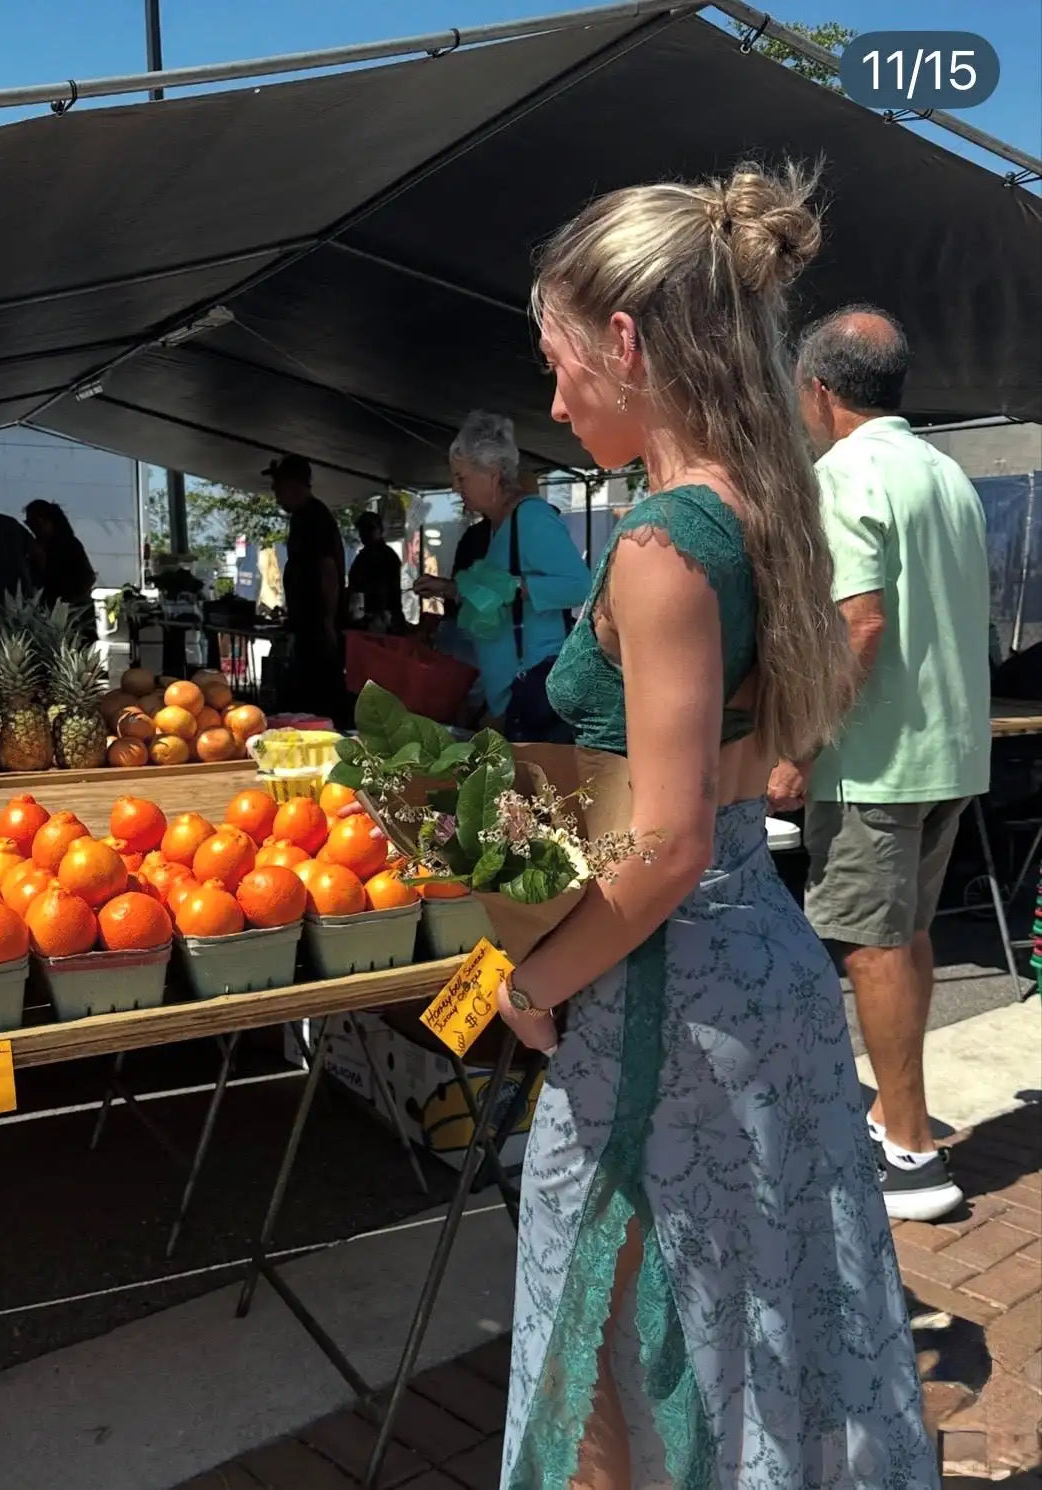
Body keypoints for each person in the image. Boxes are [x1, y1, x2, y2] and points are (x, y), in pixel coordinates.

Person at [493, 165, 936, 1489]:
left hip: (661, 998)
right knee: (757, 1329)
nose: (554, 397)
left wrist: (530, 973)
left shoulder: (659, 544)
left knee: (610, 1339)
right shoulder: (771, 501)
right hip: (755, 975)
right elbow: (757, 761)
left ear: (624, 344)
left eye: (560, 361)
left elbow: (670, 838)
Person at [769, 307, 991, 1223]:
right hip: (949, 747)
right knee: (903, 934)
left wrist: (797, 747)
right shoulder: (949, 476)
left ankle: (909, 1152)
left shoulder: (842, 476)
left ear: (820, 391)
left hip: (875, 759)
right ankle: (900, 1122)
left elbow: (859, 622)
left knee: (872, 945)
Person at [416, 412, 589, 742]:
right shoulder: (499, 525)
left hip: (535, 691)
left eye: (461, 478)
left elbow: (580, 585)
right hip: (512, 697)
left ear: (493, 475)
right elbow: (495, 597)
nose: (455, 487)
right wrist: (450, 589)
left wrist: (519, 588)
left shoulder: (532, 518)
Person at [266, 454, 347, 721]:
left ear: (292, 485)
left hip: (318, 624)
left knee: (319, 694)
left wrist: (327, 620)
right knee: (308, 691)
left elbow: (328, 571)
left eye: (277, 489)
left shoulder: (314, 516)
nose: (276, 497)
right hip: (308, 622)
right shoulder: (303, 517)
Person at [23, 499, 98, 640]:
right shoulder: (39, 547)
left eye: (36, 524)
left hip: (73, 614)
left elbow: (83, 578)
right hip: (51, 614)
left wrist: (42, 563)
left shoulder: (68, 545)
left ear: (49, 521)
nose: (33, 529)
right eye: (29, 525)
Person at [346, 510, 405, 632]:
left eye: (369, 528)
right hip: (369, 618)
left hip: (379, 620)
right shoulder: (365, 555)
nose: (364, 533)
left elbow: (383, 590)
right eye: (362, 529)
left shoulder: (384, 556)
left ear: (380, 530)